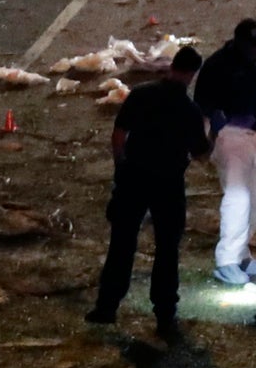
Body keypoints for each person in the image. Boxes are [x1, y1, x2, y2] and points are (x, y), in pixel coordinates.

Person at [87, 47, 210, 346]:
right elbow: (202, 155)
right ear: (192, 74)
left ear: (172, 66)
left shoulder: (141, 94)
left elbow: (119, 136)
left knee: (121, 243)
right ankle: (165, 313)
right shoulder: (189, 111)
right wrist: (211, 133)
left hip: (134, 178)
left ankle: (107, 307)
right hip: (168, 184)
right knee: (167, 250)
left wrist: (122, 169)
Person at [193, 19, 256, 285]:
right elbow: (201, 104)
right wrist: (210, 131)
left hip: (254, 136)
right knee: (238, 198)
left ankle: (242, 253)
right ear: (240, 41)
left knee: (253, 201)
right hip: (229, 137)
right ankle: (227, 260)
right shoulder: (217, 65)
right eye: (252, 45)